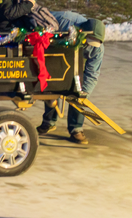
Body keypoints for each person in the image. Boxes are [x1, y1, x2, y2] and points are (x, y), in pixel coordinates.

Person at [39, 10, 105, 145]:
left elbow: (92, 73)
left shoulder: (98, 49)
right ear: (82, 32)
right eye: (88, 41)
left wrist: (83, 93)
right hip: (58, 47)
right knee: (53, 82)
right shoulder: (63, 22)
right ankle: (49, 122)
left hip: (78, 58)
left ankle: (76, 129)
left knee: (80, 91)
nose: (89, 45)